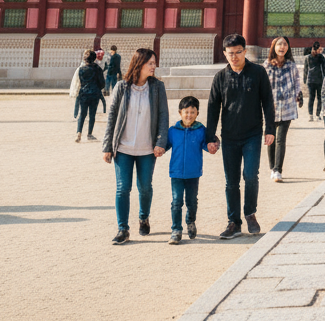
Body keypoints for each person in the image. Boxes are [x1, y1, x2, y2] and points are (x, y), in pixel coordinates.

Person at [206, 34, 275, 239]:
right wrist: (211, 136)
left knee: (251, 175)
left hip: (252, 134)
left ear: (245, 51)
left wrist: (270, 129)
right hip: (229, 137)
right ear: (224, 54)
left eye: (238, 52)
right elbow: (212, 108)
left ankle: (250, 213)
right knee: (231, 181)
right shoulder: (220, 77)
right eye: (230, 53)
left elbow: (268, 102)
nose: (234, 57)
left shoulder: (258, 72)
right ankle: (234, 222)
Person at [101, 47, 169, 245]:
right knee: (123, 188)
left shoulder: (157, 88)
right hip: (123, 147)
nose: (154, 66)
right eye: (150, 63)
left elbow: (164, 116)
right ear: (139, 64)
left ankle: (143, 216)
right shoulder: (122, 87)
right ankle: (123, 229)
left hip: (147, 148)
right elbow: (112, 117)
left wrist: (160, 142)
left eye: (154, 63)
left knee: (145, 187)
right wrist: (107, 147)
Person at [166, 95, 215, 244]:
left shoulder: (201, 130)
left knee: (192, 201)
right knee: (176, 201)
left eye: (192, 112)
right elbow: (164, 145)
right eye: (186, 112)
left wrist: (213, 145)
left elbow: (207, 145)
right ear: (180, 112)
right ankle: (176, 229)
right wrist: (157, 148)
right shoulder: (173, 131)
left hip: (193, 173)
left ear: (197, 114)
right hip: (176, 173)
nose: (189, 115)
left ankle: (191, 221)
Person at [264, 36, 302, 182]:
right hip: (270, 108)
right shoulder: (266, 65)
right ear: (273, 47)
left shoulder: (291, 65)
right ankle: (272, 167)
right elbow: (262, 85)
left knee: (281, 139)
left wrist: (298, 95)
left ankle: (278, 169)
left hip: (287, 107)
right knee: (270, 138)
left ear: (288, 48)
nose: (282, 47)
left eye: (285, 44)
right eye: (279, 44)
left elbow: (296, 82)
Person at [74, 48, 106, 142]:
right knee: (92, 114)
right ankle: (89, 134)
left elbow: (80, 81)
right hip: (94, 94)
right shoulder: (97, 69)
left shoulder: (81, 69)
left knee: (82, 114)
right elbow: (102, 83)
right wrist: (98, 88)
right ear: (94, 58)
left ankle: (78, 132)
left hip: (83, 93)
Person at [303, 42, 325, 122]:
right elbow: (324, 69)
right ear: (316, 49)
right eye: (319, 49)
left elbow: (305, 69)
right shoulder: (321, 57)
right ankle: (317, 115)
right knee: (319, 98)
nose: (320, 50)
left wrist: (305, 79)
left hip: (311, 80)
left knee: (311, 98)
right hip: (318, 80)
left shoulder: (308, 57)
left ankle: (311, 115)